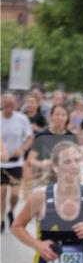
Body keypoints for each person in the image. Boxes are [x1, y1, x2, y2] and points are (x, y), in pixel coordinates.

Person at [1, 94, 33, 233]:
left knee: (14, 194)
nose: (9, 107)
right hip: (1, 163)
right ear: (2, 103)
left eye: (12, 104)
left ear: (15, 104)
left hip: (16, 163)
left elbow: (30, 137)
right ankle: (1, 219)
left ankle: (11, 211)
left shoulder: (21, 119)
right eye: (6, 104)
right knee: (1, 193)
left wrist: (23, 149)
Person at [28, 104, 77, 188]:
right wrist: (42, 164)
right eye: (57, 114)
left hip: (66, 181)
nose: (60, 117)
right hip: (44, 180)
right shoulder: (41, 136)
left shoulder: (72, 137)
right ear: (51, 116)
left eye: (63, 115)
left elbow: (77, 160)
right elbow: (31, 160)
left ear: (67, 118)